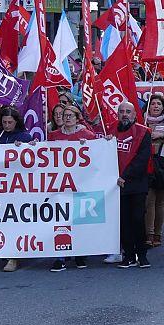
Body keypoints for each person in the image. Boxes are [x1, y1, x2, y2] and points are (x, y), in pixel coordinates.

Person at [48, 105, 96, 271]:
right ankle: (59, 257)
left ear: (77, 118)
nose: (66, 118)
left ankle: (80, 254)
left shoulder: (88, 136)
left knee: (79, 221)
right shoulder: (53, 136)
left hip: (80, 186)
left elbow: (97, 157)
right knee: (60, 221)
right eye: (64, 115)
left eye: (70, 115)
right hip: (60, 185)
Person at [0, 106, 33, 272]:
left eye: (10, 122)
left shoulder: (24, 137)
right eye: (4, 122)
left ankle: (14, 256)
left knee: (14, 220)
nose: (7, 125)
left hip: (17, 187)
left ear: (16, 122)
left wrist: (24, 148)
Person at [114, 102, 152, 268]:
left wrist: (125, 176)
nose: (124, 114)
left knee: (137, 219)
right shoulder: (110, 132)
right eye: (121, 111)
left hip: (136, 183)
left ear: (135, 115)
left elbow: (142, 159)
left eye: (128, 112)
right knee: (124, 221)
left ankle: (142, 254)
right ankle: (128, 255)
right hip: (116, 185)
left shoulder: (143, 132)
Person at [144, 94, 164, 247]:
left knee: (160, 202)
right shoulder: (141, 120)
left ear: (163, 107)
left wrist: (162, 135)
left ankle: (158, 234)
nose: (155, 106)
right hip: (146, 165)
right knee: (149, 201)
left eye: (158, 104)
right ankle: (148, 233)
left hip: (163, 165)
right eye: (153, 103)